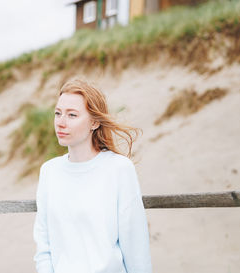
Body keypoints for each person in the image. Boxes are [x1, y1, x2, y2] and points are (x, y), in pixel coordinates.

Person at [33, 78, 152, 273]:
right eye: (58, 113)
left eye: (72, 115)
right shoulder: (49, 171)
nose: (61, 122)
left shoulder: (119, 169)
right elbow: (43, 244)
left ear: (94, 122)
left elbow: (136, 245)